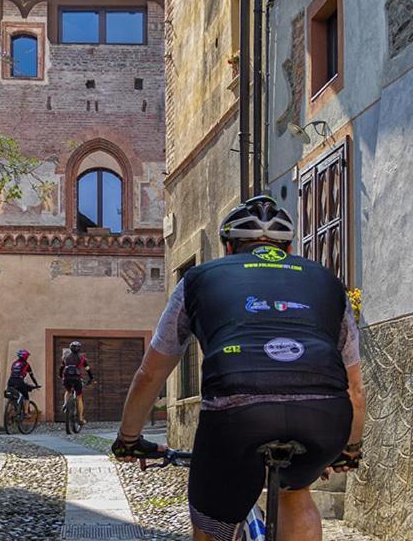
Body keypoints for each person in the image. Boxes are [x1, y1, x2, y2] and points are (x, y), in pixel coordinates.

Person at [111, 195, 366, 541]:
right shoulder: (328, 283)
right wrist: (350, 450)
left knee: (211, 522)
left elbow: (150, 374)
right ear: (289, 248)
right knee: (296, 490)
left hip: (236, 414)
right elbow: (356, 389)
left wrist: (128, 440)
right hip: (323, 416)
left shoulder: (198, 279)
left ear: (228, 248)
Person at [59, 341, 94, 426]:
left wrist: (60, 376)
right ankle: (81, 419)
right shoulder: (82, 359)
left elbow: (61, 368)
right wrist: (91, 379)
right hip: (77, 379)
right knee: (79, 397)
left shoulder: (65, 357)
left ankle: (65, 404)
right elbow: (88, 370)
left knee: (68, 391)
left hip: (66, 379)